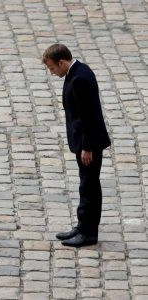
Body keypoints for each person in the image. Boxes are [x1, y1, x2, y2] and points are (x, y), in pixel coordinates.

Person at [42, 44, 111, 247]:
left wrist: (87, 147)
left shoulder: (79, 78)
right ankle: (82, 225)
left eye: (53, 68)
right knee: (85, 184)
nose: (52, 73)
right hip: (83, 141)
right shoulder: (77, 72)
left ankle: (89, 233)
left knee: (89, 186)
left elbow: (88, 116)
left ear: (62, 62)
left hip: (87, 143)